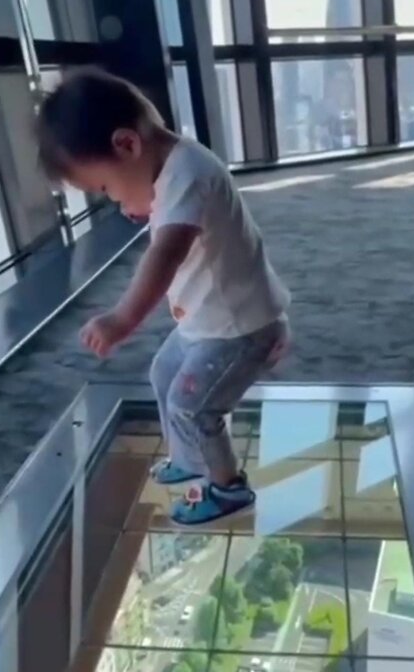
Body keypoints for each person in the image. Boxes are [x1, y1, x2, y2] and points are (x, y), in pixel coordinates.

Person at [35, 69, 291, 526]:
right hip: (208, 320)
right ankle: (191, 458)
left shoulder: (188, 176)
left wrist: (121, 318)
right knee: (163, 372)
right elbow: (168, 220)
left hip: (237, 329)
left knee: (192, 406)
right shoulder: (175, 167)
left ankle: (228, 488)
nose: (114, 200)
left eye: (105, 187)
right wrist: (144, 202)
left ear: (128, 145)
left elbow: (165, 257)